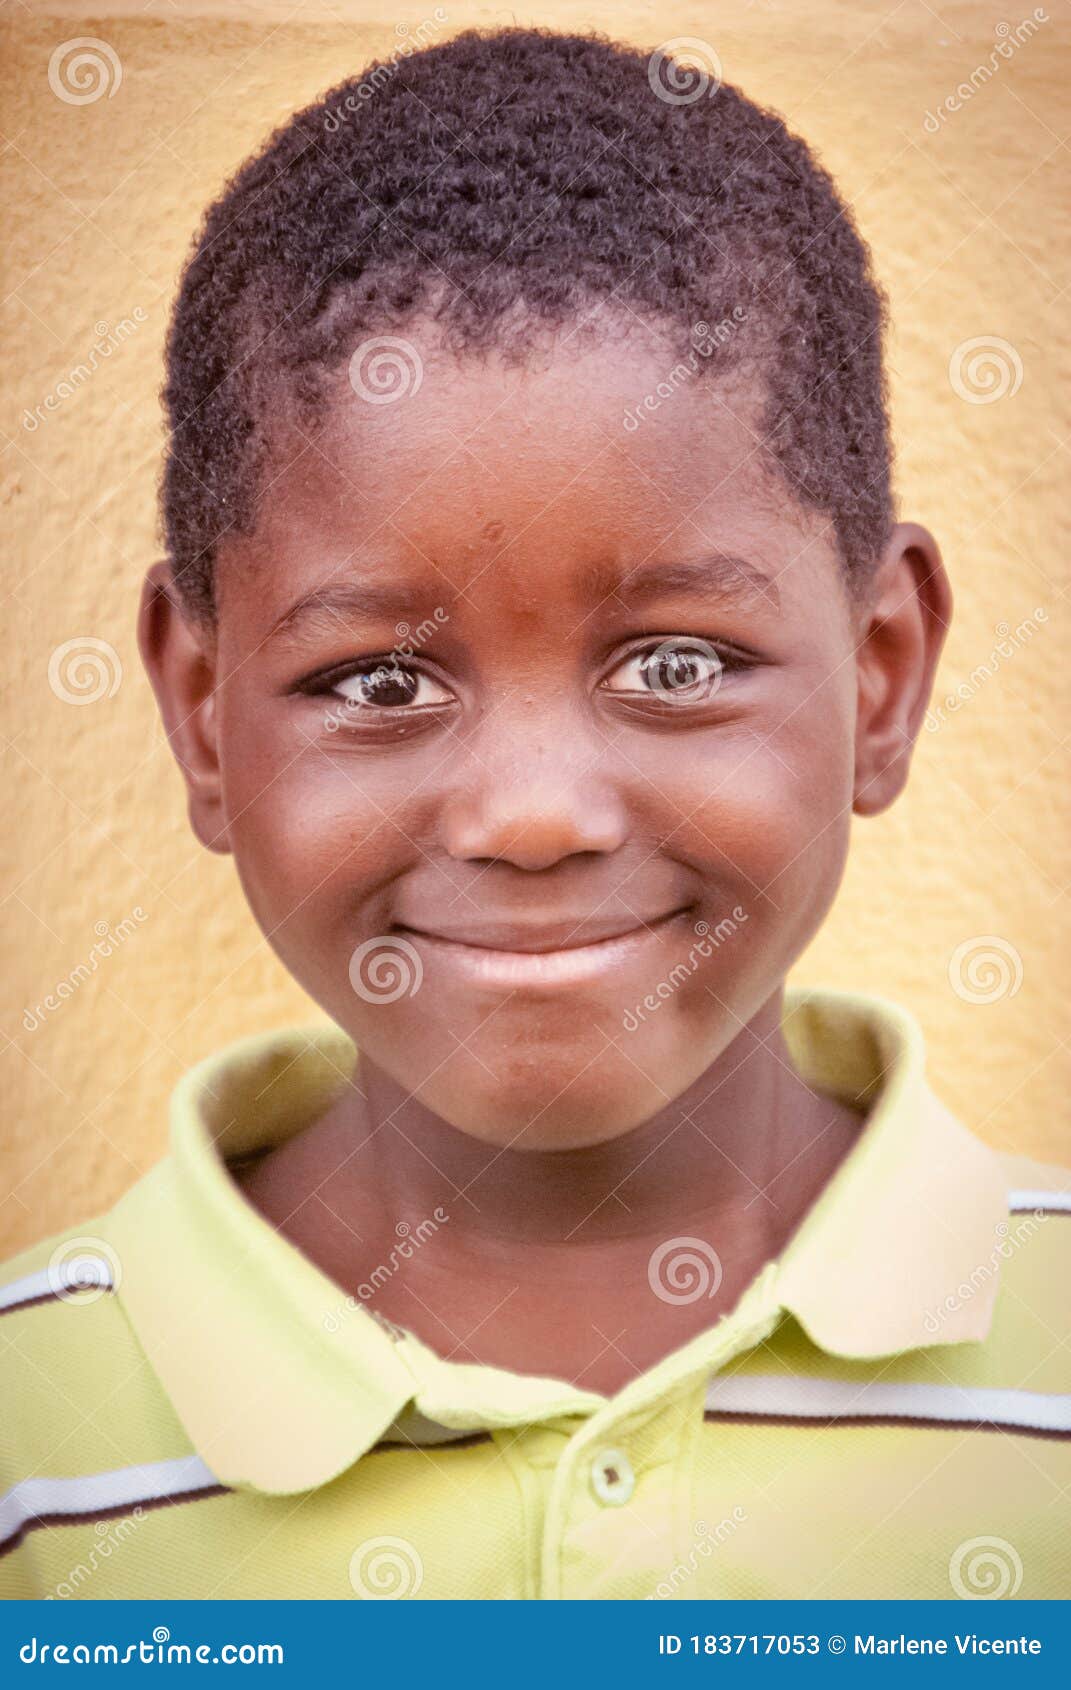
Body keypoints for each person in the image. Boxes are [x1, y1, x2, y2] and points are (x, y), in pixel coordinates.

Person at [2, 26, 1067, 1601]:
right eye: (378, 679)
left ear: (883, 673)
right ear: (203, 712)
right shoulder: (40, 1448)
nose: (533, 817)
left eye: (677, 661)